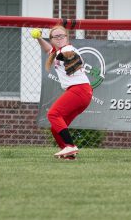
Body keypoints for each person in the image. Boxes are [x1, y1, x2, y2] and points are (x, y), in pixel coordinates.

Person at [31, 25, 93, 160]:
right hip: (81, 92)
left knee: (53, 114)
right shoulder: (56, 51)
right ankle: (69, 155)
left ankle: (70, 146)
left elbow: (70, 55)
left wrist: (72, 58)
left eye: (61, 36)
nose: (59, 38)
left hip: (79, 89)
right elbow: (49, 50)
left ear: (67, 37)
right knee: (55, 127)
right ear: (52, 39)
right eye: (55, 36)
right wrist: (39, 38)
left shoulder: (68, 49)